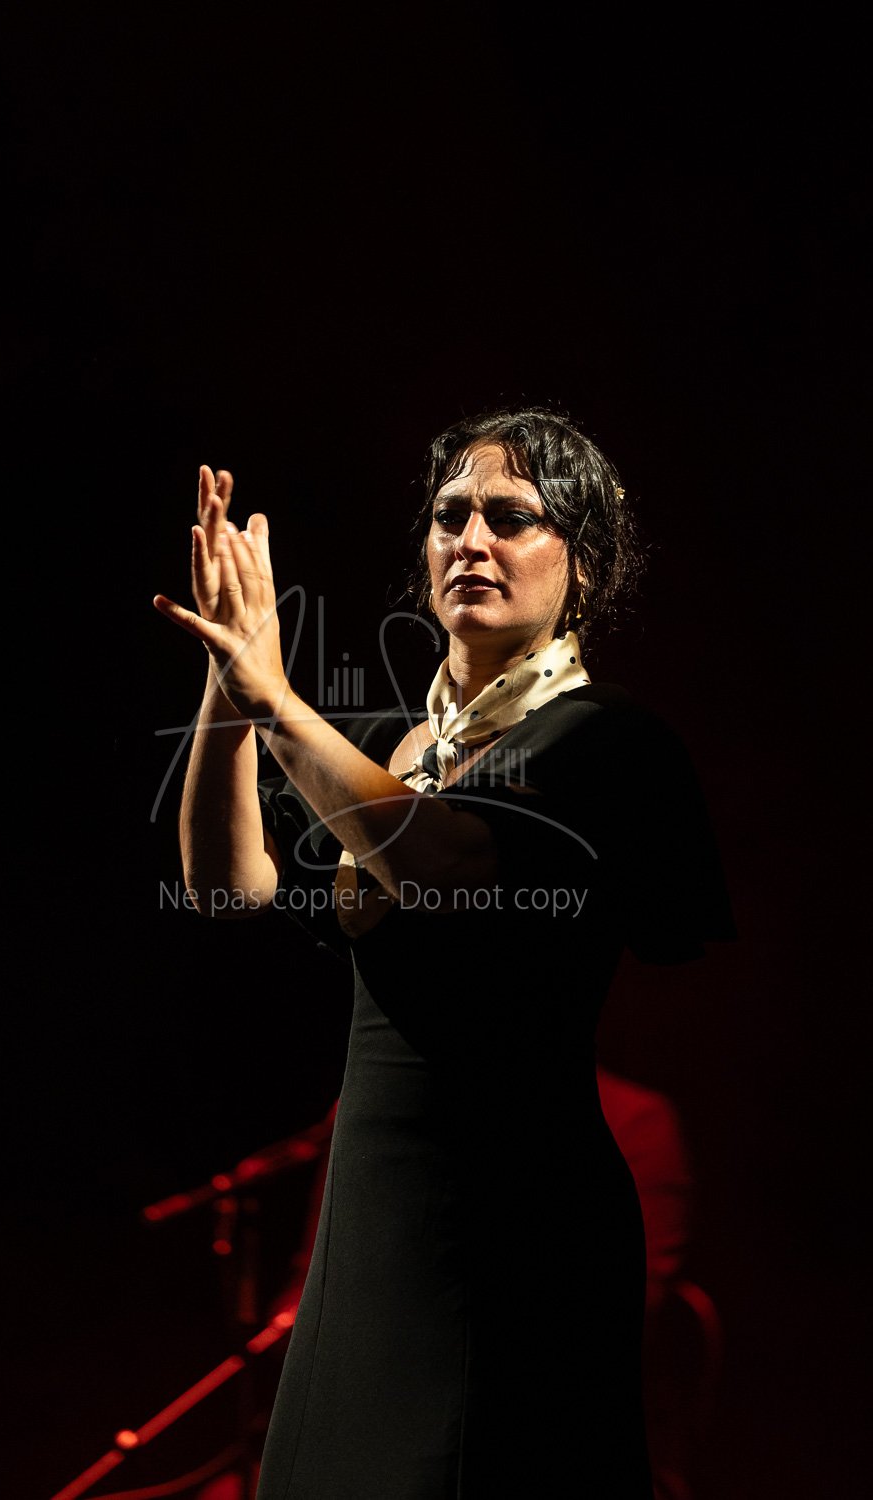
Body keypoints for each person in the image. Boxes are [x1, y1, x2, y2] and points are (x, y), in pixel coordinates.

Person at [153, 406, 733, 1499]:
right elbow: (226, 886)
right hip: (374, 1217)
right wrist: (230, 681)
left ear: (583, 563)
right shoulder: (392, 750)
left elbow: (448, 862)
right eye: (448, 516)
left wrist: (278, 700)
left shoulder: (604, 738)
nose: (469, 539)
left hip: (521, 1225)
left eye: (510, 517)